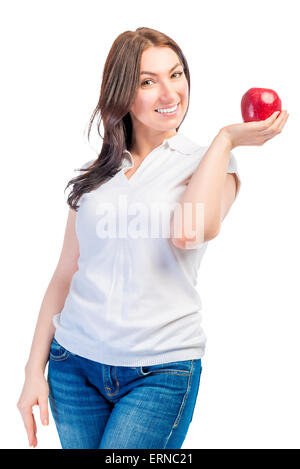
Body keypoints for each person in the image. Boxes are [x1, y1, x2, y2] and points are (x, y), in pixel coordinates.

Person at [17, 27, 289, 450]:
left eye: (176, 74)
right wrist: (33, 371)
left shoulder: (211, 162)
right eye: (149, 81)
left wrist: (225, 139)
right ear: (123, 93)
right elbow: (65, 275)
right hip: (73, 369)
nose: (170, 93)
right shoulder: (95, 174)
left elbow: (190, 232)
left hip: (160, 373)